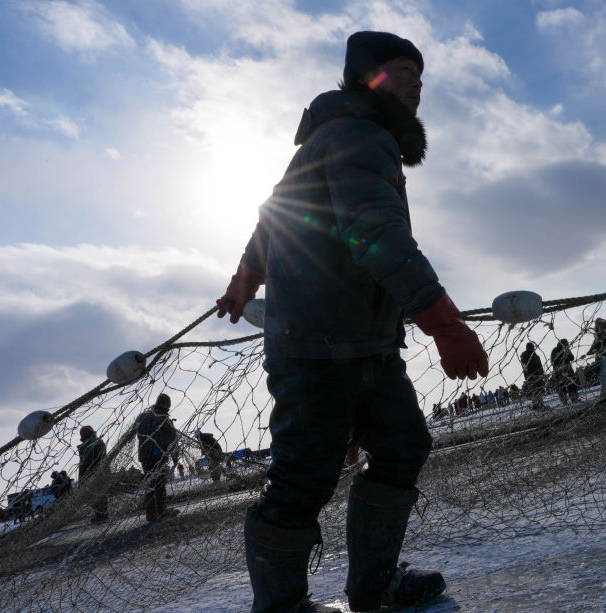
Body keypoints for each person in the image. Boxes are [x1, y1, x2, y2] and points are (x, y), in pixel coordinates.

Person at [214, 31, 488, 613]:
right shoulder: (358, 134)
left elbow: (274, 217)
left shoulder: (336, 135)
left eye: (420, 73)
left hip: (365, 343)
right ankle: (281, 607)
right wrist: (446, 326)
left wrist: (243, 282)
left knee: (402, 444)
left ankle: (373, 587)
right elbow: (375, 234)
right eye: (401, 70)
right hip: (316, 348)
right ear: (368, 77)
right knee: (302, 478)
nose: (416, 82)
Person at [135, 393, 180, 523]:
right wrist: (175, 458)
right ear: (167, 405)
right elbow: (173, 441)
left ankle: (151, 514)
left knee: (151, 484)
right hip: (158, 457)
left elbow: (139, 433)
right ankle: (160, 511)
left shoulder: (143, 417)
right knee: (159, 484)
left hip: (145, 457)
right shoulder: (164, 420)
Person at [78, 425, 108, 523]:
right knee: (101, 493)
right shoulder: (99, 441)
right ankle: (103, 514)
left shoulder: (88, 445)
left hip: (91, 475)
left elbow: (85, 463)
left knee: (93, 495)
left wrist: (82, 478)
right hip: (102, 471)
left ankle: (100, 515)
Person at [586, 318, 606, 395]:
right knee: (604, 374)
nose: (598, 327)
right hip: (601, 357)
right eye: (597, 325)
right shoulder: (599, 335)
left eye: (599, 325)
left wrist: (604, 351)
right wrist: (590, 351)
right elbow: (595, 345)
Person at [550, 339, 580, 405]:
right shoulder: (555, 350)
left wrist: (567, 353)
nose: (567, 346)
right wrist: (562, 356)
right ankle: (564, 401)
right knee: (561, 387)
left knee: (571, 385)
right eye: (566, 345)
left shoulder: (567, 349)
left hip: (568, 370)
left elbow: (572, 358)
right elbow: (553, 361)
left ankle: (574, 398)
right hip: (559, 372)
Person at [520, 342, 546, 410]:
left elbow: (540, 366)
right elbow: (525, 368)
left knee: (539, 391)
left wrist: (542, 374)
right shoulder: (525, 356)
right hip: (531, 377)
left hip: (538, 376)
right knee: (535, 391)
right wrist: (529, 376)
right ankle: (535, 405)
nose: (532, 348)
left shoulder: (535, 356)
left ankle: (540, 404)